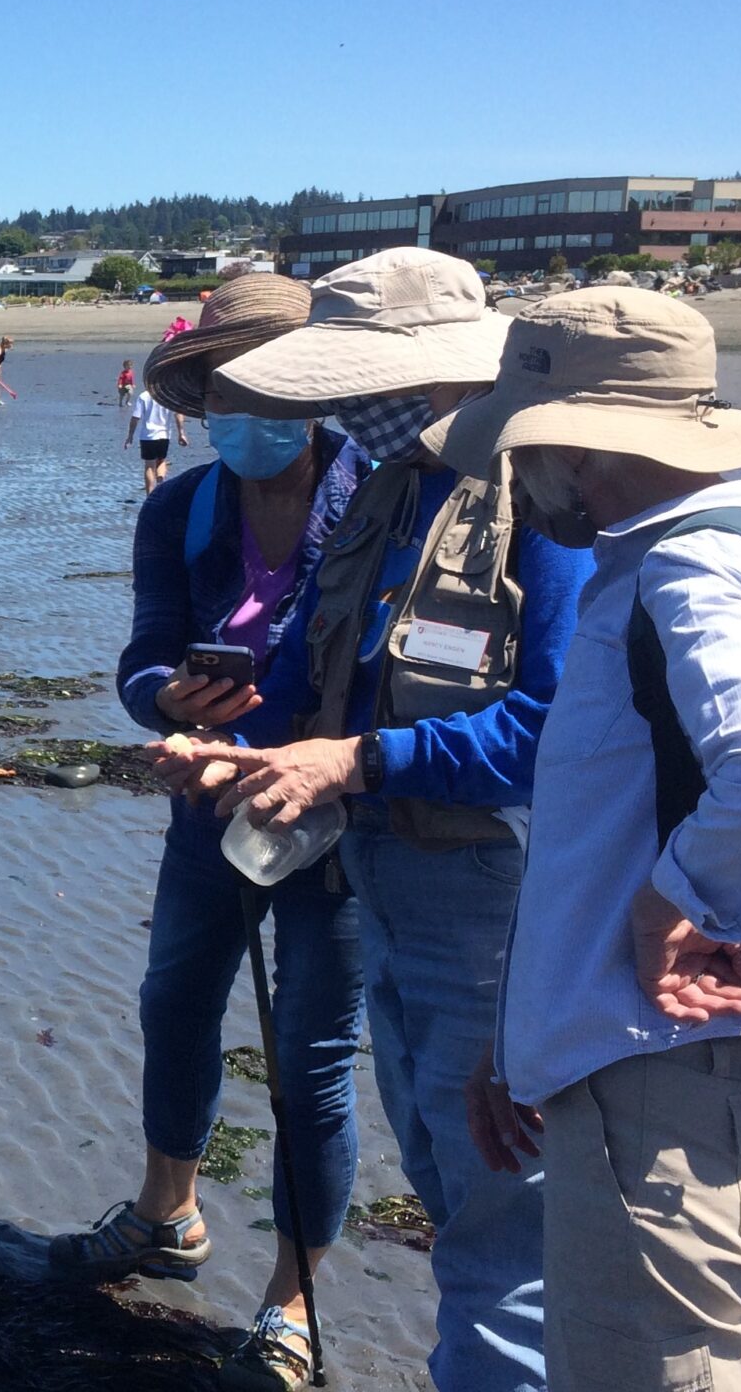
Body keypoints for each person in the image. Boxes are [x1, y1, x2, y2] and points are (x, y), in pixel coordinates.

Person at [159, 247, 597, 1392]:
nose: (334, 407)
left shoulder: (539, 501)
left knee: (502, 1224)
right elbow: (338, 678)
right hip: (380, 870)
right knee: (458, 1197)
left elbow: (552, 731)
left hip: (490, 894)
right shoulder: (403, 486)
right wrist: (246, 755)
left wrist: (354, 759)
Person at [427, 288, 741, 1392]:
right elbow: (604, 833)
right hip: (653, 1073)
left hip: (672, 1086)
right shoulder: (727, 551)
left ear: (579, 439)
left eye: (530, 447)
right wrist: (523, 1039)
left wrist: (678, 907)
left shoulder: (689, 567)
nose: (524, 475)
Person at [59, 274, 367, 1392]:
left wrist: (337, 753)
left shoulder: (382, 501)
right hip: (207, 813)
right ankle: (166, 1212)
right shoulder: (177, 507)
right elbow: (144, 654)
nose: (244, 409)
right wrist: (164, 705)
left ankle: (290, 1299)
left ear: (318, 390)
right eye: (225, 389)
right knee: (173, 1004)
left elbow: (410, 674)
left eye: (267, 386)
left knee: (312, 1059)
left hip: (337, 824)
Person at [126, 386, 188, 495]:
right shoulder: (169, 396)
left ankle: (150, 494)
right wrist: (181, 433)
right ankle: (160, 483)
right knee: (162, 460)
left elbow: (136, 417)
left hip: (148, 435)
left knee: (149, 465)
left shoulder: (144, 396)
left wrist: (130, 436)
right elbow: (178, 414)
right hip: (164, 435)